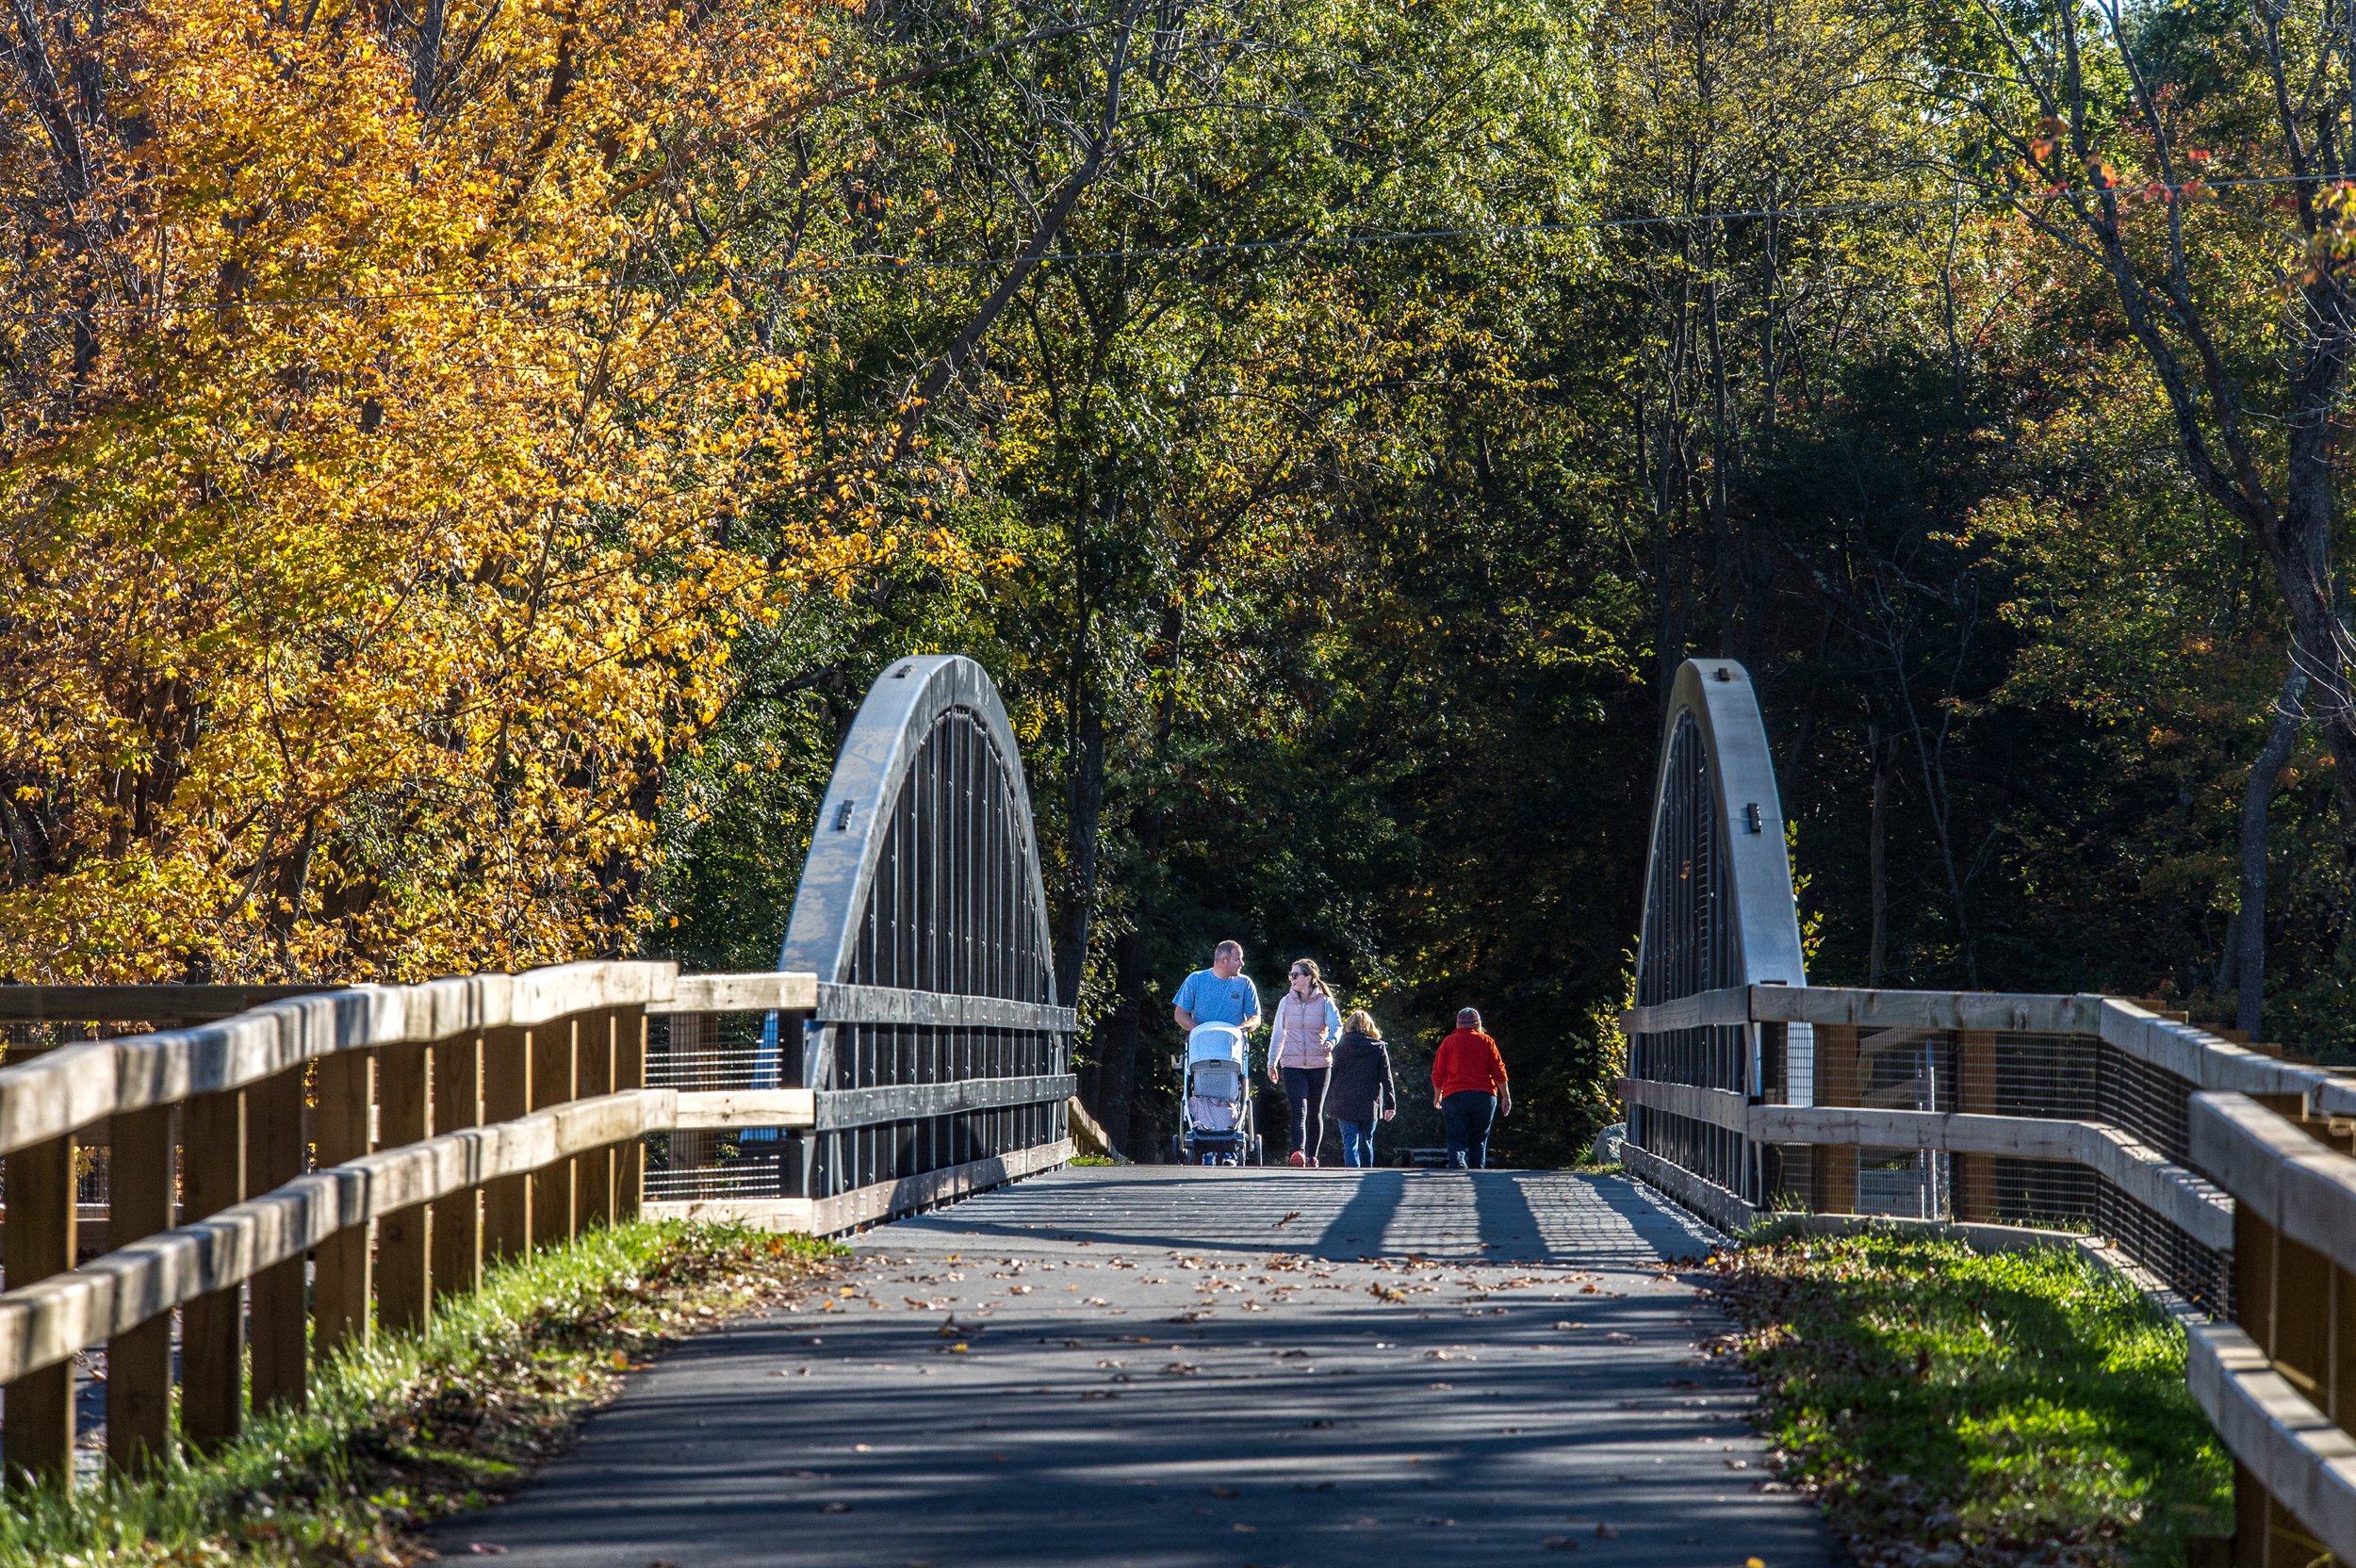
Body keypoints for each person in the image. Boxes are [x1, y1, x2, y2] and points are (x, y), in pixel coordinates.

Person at [1268, 958, 1342, 1166]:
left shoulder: (1325, 1002)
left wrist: (1331, 1041)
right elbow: (1278, 1034)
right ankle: (1297, 1152)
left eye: (1295, 975)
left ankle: (1312, 1156)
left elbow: (1337, 1027)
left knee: (1315, 1111)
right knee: (1299, 1108)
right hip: (1292, 1064)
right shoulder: (1285, 1002)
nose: (1291, 979)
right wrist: (1271, 1062)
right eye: (1290, 975)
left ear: (1308, 977)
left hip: (1320, 1064)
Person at [1432, 1007, 1510, 1169]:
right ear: (1478, 1023)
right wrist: (1506, 1096)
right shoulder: (1486, 1041)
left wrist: (1437, 1094)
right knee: (1479, 1138)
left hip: (1454, 1096)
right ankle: (1477, 1170)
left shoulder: (1448, 1042)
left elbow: (1438, 1072)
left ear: (1458, 1024)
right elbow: (1498, 1070)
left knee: (1455, 1136)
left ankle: (1458, 1164)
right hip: (1484, 1096)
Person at [1327, 1008, 1398, 1168]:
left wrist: (1327, 1100)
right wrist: (1390, 1104)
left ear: (1349, 1025)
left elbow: (1332, 1074)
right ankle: (1367, 1174)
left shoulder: (1340, 1046)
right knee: (1366, 1140)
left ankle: (1352, 1172)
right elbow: (1386, 1078)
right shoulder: (1378, 1047)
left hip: (1344, 1100)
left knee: (1350, 1140)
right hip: (1369, 1102)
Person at [1172, 939, 1263, 1035]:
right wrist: (1199, 1030)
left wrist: (1243, 1027)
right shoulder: (1195, 979)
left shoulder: (1245, 983)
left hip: (1233, 1044)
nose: (1242, 963)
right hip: (1201, 1044)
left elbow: (1255, 1017)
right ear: (1223, 960)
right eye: (1237, 960)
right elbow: (1180, 1014)